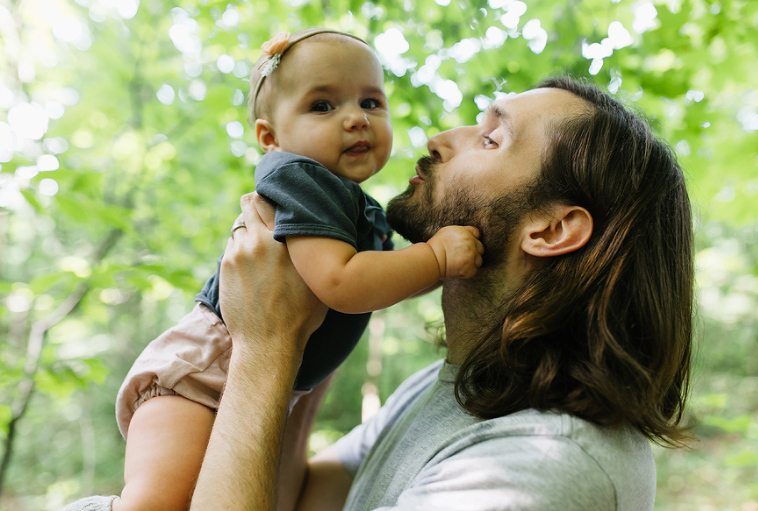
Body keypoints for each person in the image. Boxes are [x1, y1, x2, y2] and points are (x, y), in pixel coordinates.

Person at [189, 76, 694, 511]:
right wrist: (309, 330)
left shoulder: (550, 461)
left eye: (491, 139)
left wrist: (264, 345)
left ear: (550, 229)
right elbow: (295, 500)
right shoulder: (455, 382)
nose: (439, 140)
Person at [60, 28, 483, 511]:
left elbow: (377, 280)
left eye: (370, 102)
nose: (355, 120)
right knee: (157, 504)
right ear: (271, 138)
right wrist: (436, 259)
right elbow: (341, 283)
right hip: (204, 371)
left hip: (251, 382)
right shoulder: (298, 177)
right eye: (322, 106)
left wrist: (429, 270)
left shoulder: (355, 207)